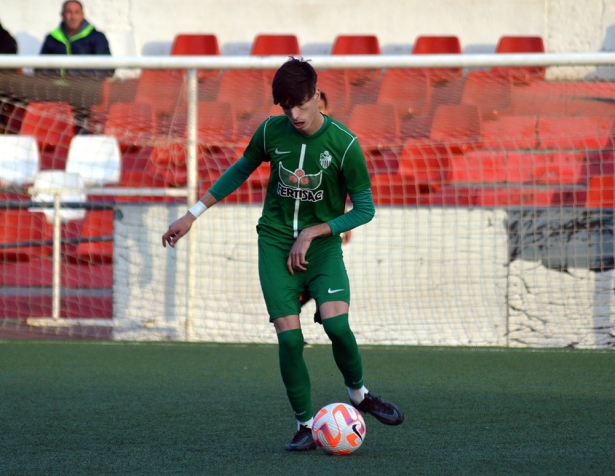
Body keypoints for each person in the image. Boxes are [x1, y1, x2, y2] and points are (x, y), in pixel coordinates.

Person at [162, 58, 404, 452]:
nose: (293, 114)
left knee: (336, 326)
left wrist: (315, 231)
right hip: (275, 245)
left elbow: (365, 209)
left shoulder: (345, 145)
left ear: (317, 95)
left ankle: (360, 395)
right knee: (290, 341)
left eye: (300, 104)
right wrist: (192, 214)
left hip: (321, 248)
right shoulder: (271, 132)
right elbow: (240, 169)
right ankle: (306, 425)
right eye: (285, 106)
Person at [39, 1, 113, 78]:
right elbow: (40, 69)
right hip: (57, 88)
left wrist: (84, 77)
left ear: (82, 15)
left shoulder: (97, 37)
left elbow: (107, 69)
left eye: (77, 12)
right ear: (62, 14)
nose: (73, 17)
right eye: (69, 12)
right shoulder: (52, 38)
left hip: (87, 87)